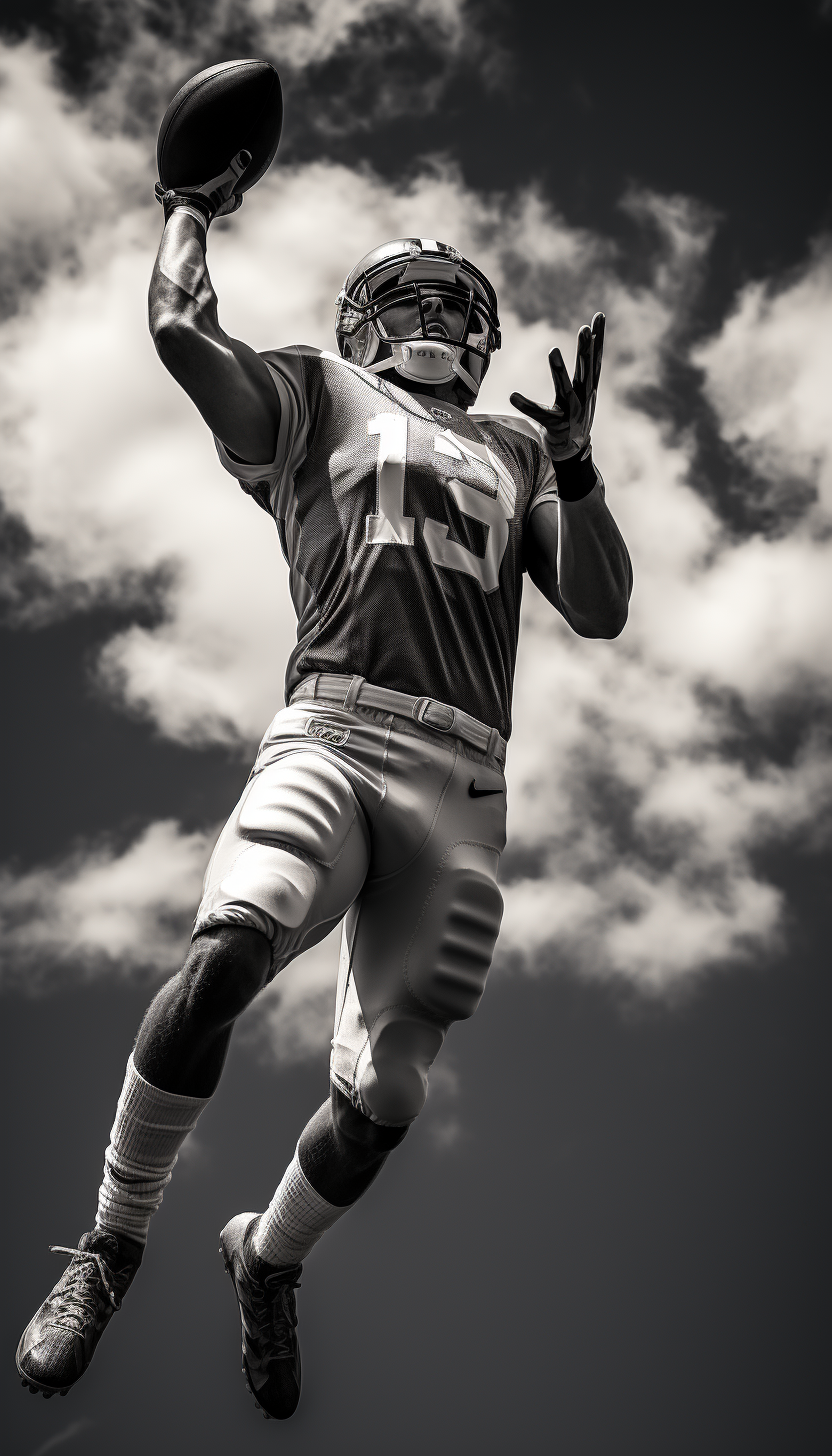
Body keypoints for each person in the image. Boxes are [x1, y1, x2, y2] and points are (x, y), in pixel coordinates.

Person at [16, 159, 632, 1421]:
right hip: (336, 728)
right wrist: (188, 200)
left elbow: (603, 607)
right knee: (225, 952)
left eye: (459, 306)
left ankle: (266, 1255)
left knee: (386, 1095)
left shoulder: (519, 446)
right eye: (412, 299)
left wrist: (578, 468)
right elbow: (182, 329)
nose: (441, 323)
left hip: (463, 773)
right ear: (363, 320)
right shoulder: (311, 389)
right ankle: (111, 1244)